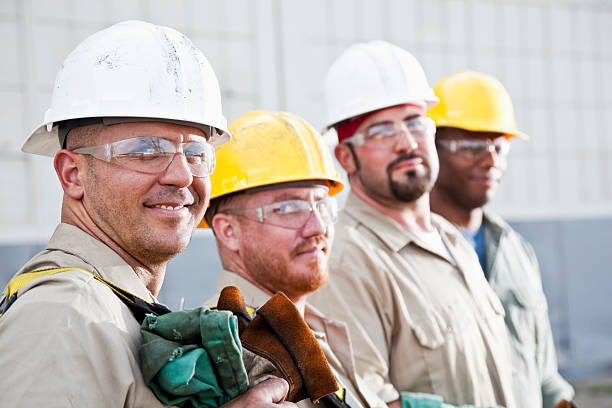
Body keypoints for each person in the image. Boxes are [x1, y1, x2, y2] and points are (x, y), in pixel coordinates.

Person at [0, 21, 295, 408]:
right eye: (145, 150)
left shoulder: (117, 309)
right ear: (73, 175)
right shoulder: (63, 316)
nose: (182, 175)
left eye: (195, 153)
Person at [308, 41, 516, 408]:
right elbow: (370, 401)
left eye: (415, 123)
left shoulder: (453, 240)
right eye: (380, 132)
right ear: (346, 157)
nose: (406, 143)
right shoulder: (343, 261)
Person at [202, 110, 389, 408]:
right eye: (288, 208)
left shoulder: (315, 330)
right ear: (228, 231)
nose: (318, 227)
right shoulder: (226, 350)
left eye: (323, 205)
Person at [428, 70, 575, 408]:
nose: (491, 159)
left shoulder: (516, 250)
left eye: (499, 146)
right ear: (429, 149)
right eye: (470, 146)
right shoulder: (401, 253)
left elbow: (545, 375)